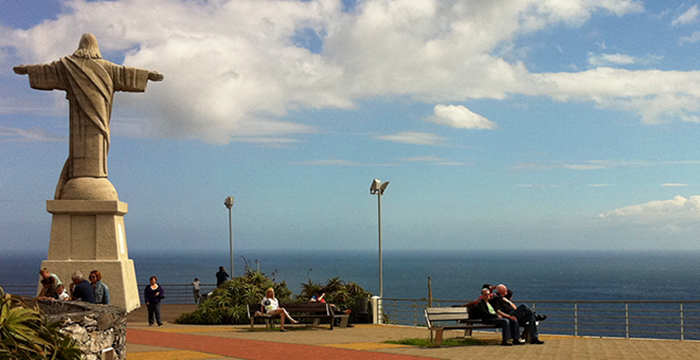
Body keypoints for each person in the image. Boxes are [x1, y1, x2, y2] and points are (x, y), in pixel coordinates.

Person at [13, 33, 163, 200]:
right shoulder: (74, 65)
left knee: (95, 143)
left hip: (90, 116)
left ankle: (93, 178)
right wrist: (148, 74)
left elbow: (48, 70)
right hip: (93, 115)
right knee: (93, 141)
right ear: (95, 47)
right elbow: (124, 73)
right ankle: (86, 178)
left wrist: (28, 69)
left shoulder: (69, 65)